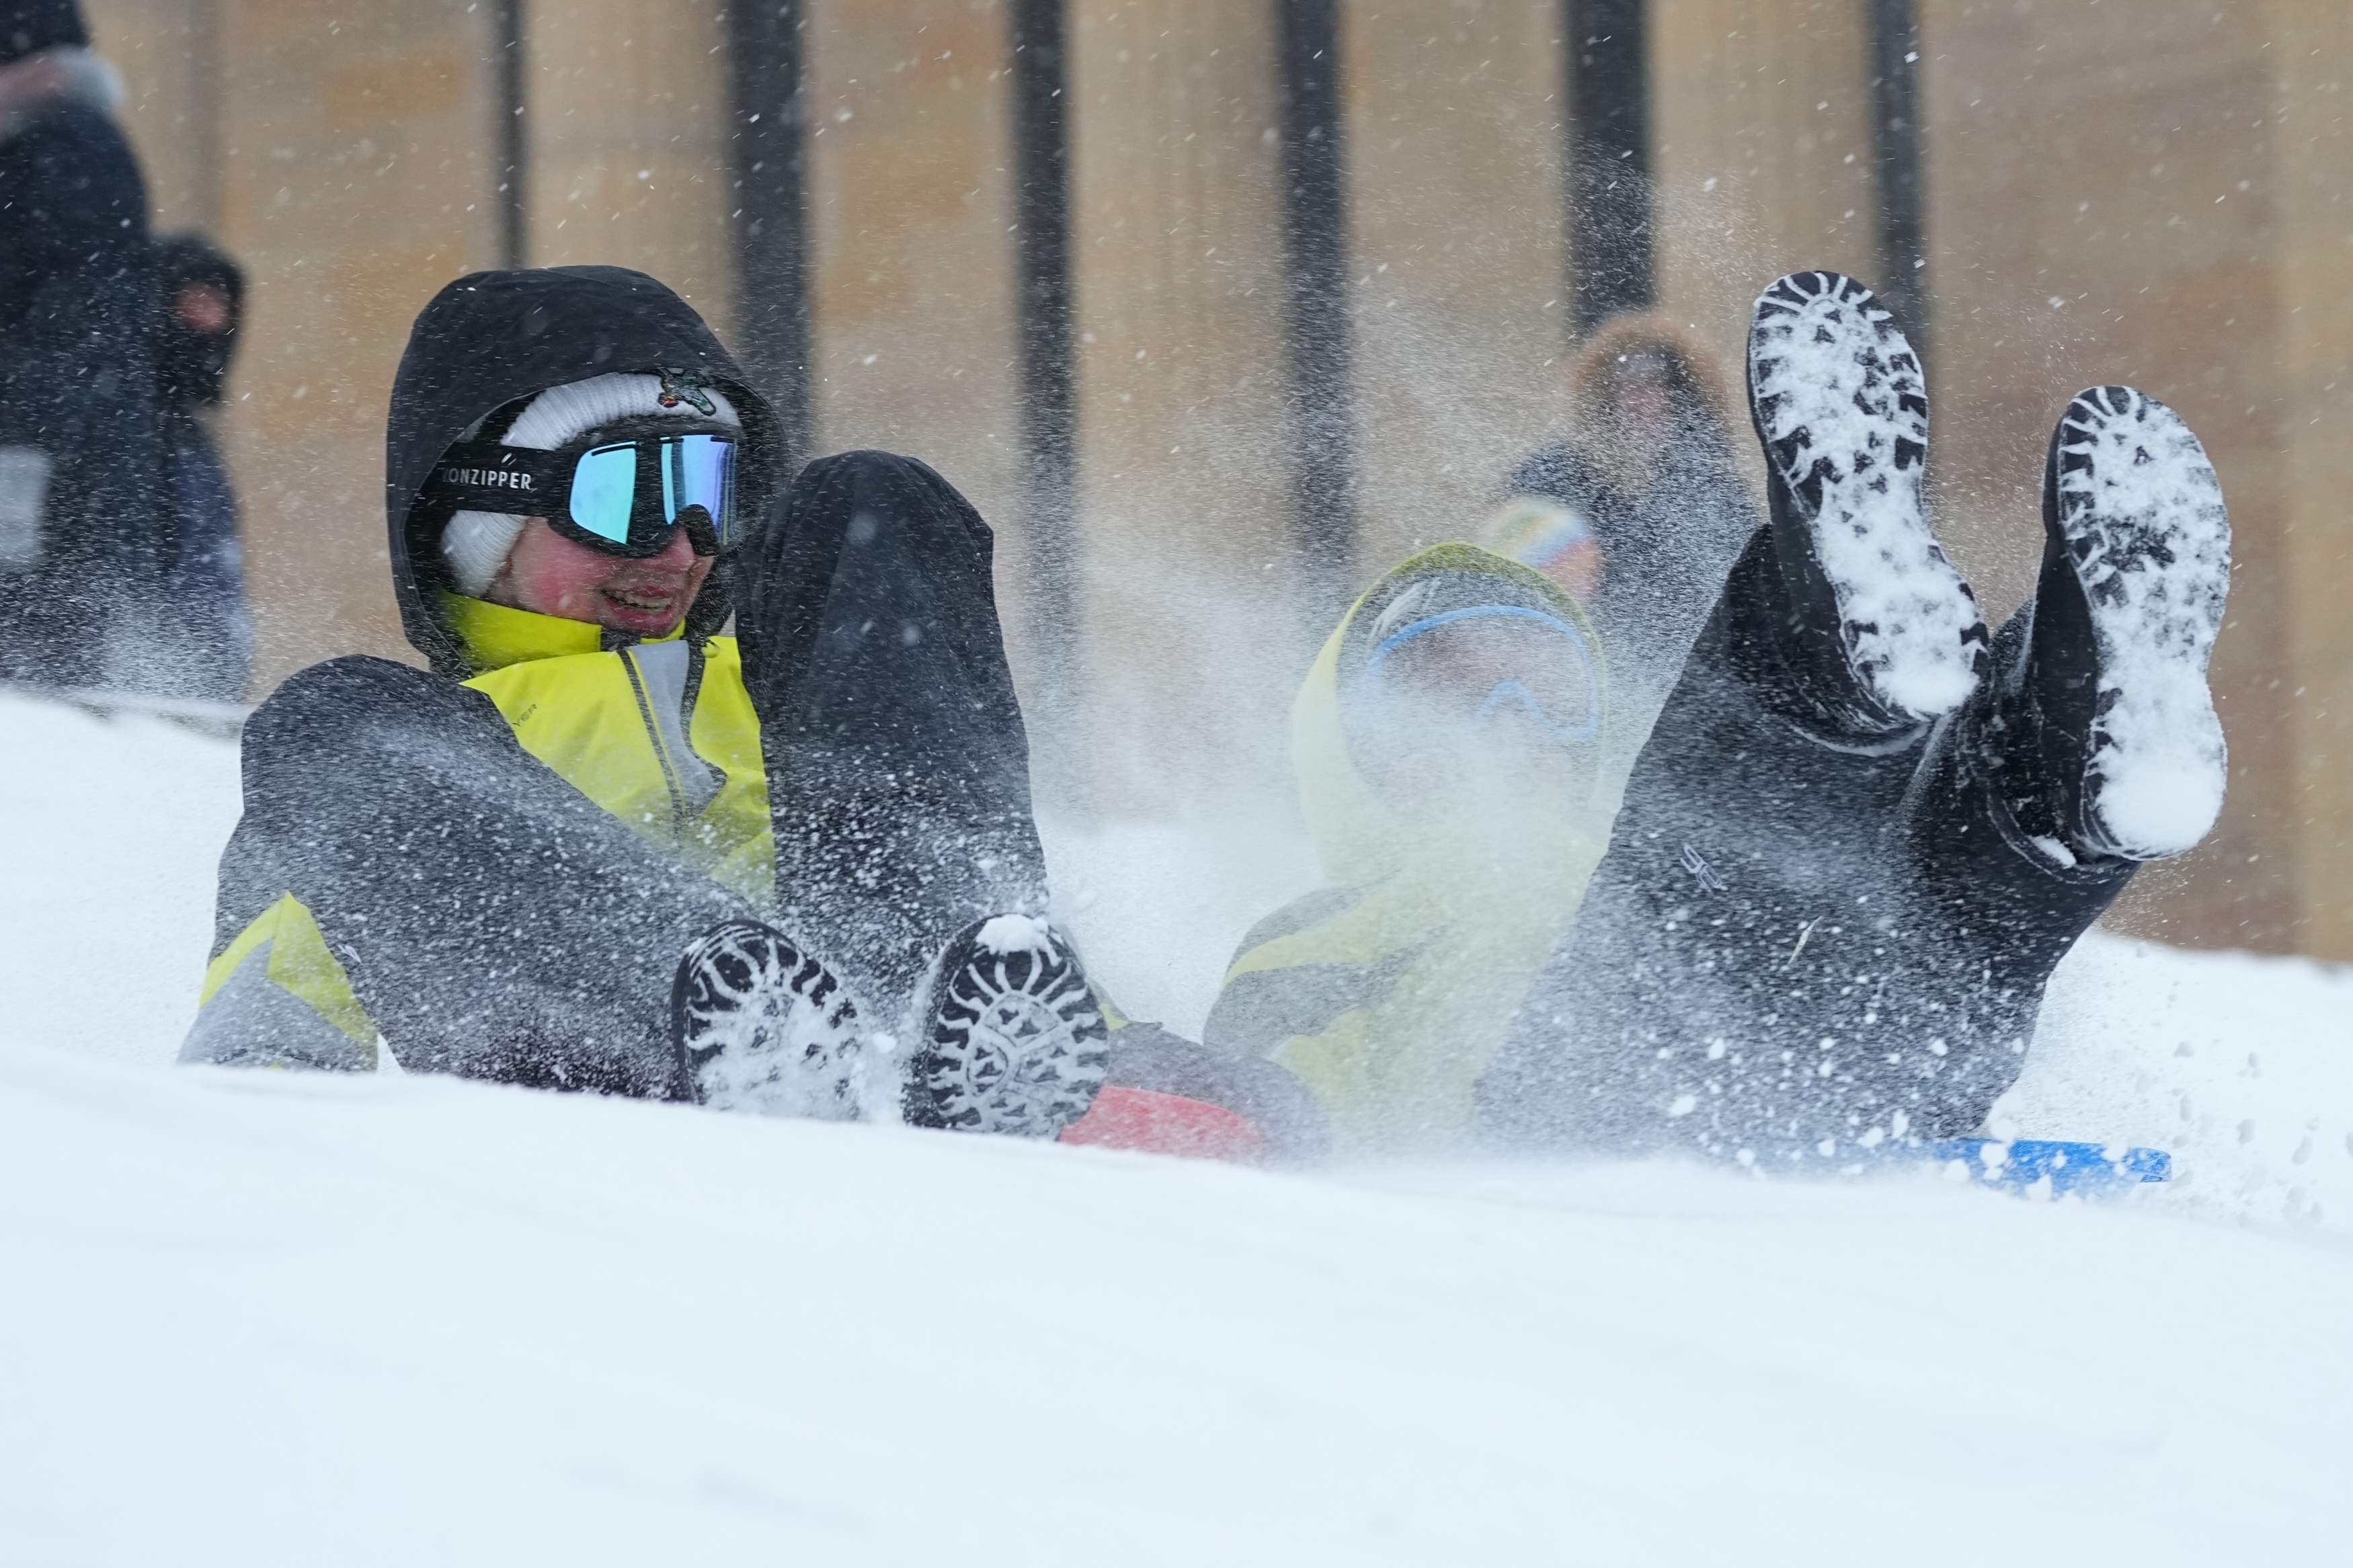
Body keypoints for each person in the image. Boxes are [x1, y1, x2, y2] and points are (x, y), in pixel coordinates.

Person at [1205, 272, 2231, 1163]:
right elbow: (1250, 1112)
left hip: (1836, 1085)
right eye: (1456, 696)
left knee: (1906, 929)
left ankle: (2066, 772)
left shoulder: (1609, 820)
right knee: (1708, 845)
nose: (1511, 726)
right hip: (1554, 1109)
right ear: (1351, 748)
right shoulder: (1318, 935)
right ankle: (1832, 665)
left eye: (1546, 694)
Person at [181, 265, 1113, 1139]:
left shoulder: (796, 693)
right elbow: (261, 1080)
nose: (681, 551)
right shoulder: (399, 771)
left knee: (874, 497)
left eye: (713, 496)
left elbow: (1041, 1000)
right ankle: (737, 1030)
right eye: (629, 494)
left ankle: (914, 1016)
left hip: (902, 1053)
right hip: (605, 1113)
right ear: (483, 525)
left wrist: (1174, 1084)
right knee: (326, 713)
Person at [1482, 313, 1757, 755]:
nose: (1643, 401)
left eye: (1660, 387)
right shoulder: (1551, 479)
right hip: (1569, 706)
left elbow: (1747, 603)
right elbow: (1496, 586)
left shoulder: (1712, 491)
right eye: (1629, 387)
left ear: (1686, 401)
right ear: (1603, 398)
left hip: (1690, 715)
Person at [0, 0, 170, 691]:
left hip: (46, 439)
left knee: (37, 640)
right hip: (74, 433)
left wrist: (21, 426)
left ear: (39, 67)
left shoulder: (59, 147)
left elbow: (64, 314)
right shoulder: (74, 144)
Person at [153, 233, 253, 701]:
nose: (211, 321)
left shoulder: (194, 444)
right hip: (149, 700)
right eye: (195, 303)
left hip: (204, 701)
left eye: (221, 306)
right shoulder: (141, 438)